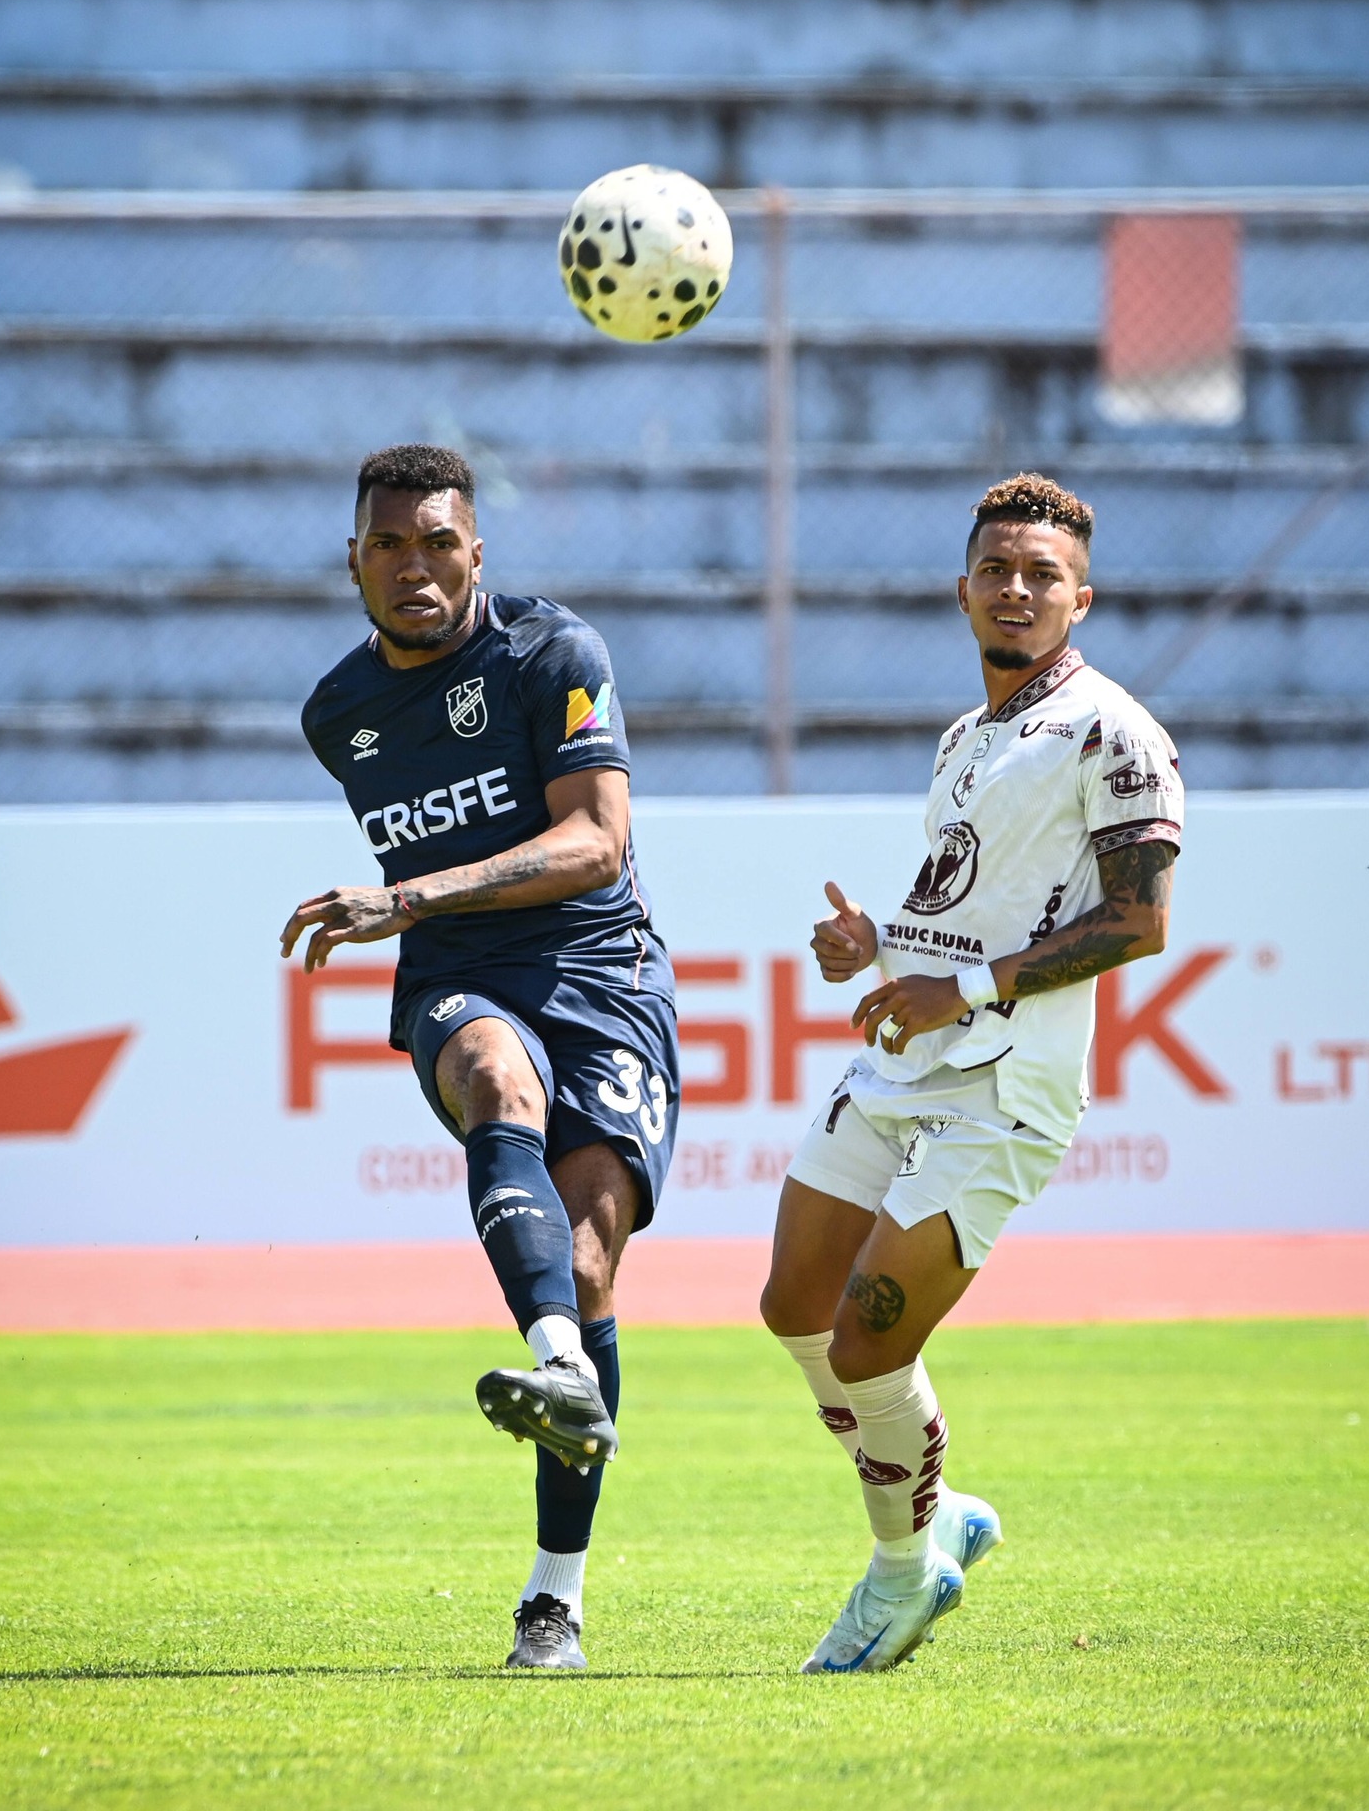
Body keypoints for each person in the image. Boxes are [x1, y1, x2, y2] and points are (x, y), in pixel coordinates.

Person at [760, 472, 1184, 1674]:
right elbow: (962, 908)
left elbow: (1137, 922)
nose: (1015, 588)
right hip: (910, 1058)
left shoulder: (1113, 731)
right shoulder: (967, 735)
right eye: (995, 568)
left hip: (1005, 1088)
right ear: (962, 589)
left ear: (1078, 597)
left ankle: (901, 1573)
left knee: (864, 1345)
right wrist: (878, 946)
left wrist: (970, 987)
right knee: (791, 1302)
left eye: (1040, 574)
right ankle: (936, 1506)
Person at [281, 443, 679, 1672]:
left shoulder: (552, 656)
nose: (415, 566)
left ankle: (553, 1594)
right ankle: (556, 1362)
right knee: (497, 1081)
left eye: (438, 541)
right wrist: (422, 920)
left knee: (594, 1253)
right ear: (353, 560)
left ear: (476, 552)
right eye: (389, 544)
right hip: (461, 978)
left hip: (601, 972)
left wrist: (403, 898)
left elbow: (597, 843)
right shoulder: (336, 714)